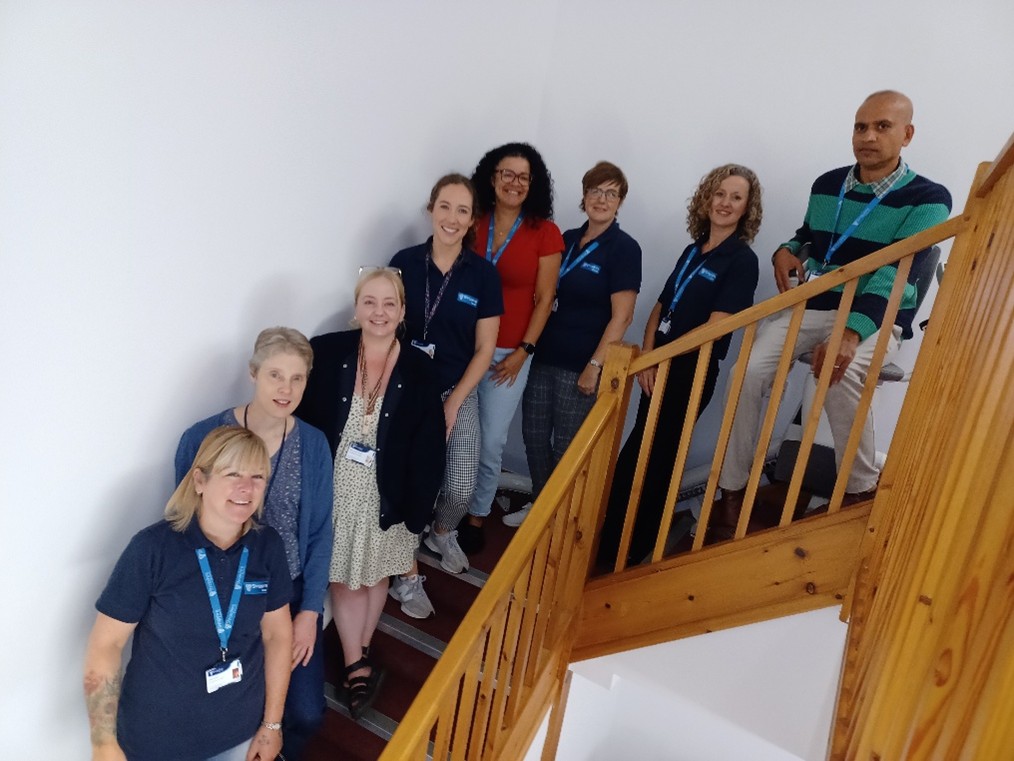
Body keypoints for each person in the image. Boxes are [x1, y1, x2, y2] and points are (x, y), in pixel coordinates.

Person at [712, 90, 952, 536]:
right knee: (747, 370)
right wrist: (788, 249)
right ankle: (732, 490)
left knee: (837, 375)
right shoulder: (827, 184)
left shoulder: (930, 198)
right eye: (861, 126)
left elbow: (895, 273)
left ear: (907, 134)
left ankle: (860, 490)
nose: (868, 136)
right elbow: (810, 237)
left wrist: (853, 331)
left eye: (882, 126)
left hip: (877, 314)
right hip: (815, 304)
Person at [84, 426, 293, 761]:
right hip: (155, 743)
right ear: (200, 481)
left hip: (241, 735)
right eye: (232, 474)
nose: (246, 488)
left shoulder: (268, 546)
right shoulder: (153, 549)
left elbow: (278, 635)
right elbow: (106, 644)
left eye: (257, 476)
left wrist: (272, 725)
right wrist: (103, 743)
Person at [175, 328, 333, 760]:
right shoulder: (202, 438)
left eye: (297, 378)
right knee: (227, 708)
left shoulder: (313, 445)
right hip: (221, 592)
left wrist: (310, 613)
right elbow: (185, 522)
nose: (286, 389)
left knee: (306, 712)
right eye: (275, 375)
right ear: (253, 373)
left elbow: (320, 532)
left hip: (290, 594)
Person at [297, 268, 445, 718]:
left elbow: (429, 444)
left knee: (378, 574)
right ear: (356, 307)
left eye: (389, 304)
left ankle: (360, 645)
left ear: (402, 312)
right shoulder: (327, 351)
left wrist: (419, 509)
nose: (378, 312)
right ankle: (353, 662)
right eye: (370, 302)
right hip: (338, 491)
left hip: (391, 495)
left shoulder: (420, 368)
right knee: (343, 577)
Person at [597, 164, 763, 567]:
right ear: (706, 199)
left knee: (659, 457)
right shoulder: (693, 250)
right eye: (719, 194)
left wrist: (663, 361)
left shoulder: (742, 261)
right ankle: (610, 539)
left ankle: (633, 547)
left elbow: (715, 327)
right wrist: (650, 358)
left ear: (747, 209)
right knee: (637, 449)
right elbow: (659, 309)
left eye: (735, 197)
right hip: (659, 366)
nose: (725, 203)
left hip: (692, 371)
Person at [386, 174, 502, 611]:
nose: (451, 218)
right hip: (406, 389)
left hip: (457, 388)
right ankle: (403, 573)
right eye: (445, 207)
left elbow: (486, 349)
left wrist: (453, 404)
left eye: (462, 210)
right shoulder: (404, 262)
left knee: (458, 485)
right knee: (403, 481)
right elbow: (385, 323)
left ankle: (440, 533)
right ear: (431, 209)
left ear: (472, 220)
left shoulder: (483, 275)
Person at [511, 161, 642, 527]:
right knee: (533, 436)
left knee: (567, 448)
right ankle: (541, 505)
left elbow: (623, 316)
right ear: (584, 196)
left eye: (611, 193)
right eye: (595, 191)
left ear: (620, 202)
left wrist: (595, 366)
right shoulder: (564, 239)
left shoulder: (624, 248)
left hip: (581, 365)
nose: (601, 199)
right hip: (544, 355)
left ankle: (557, 520)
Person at [463, 142, 564, 550]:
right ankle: (445, 505)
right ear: (492, 177)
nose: (514, 183)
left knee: (490, 441)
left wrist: (525, 351)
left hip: (508, 356)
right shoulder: (474, 220)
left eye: (523, 176)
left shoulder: (545, 232)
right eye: (507, 174)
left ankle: (477, 513)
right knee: (453, 434)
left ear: (532, 184)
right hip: (465, 349)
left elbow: (545, 300)